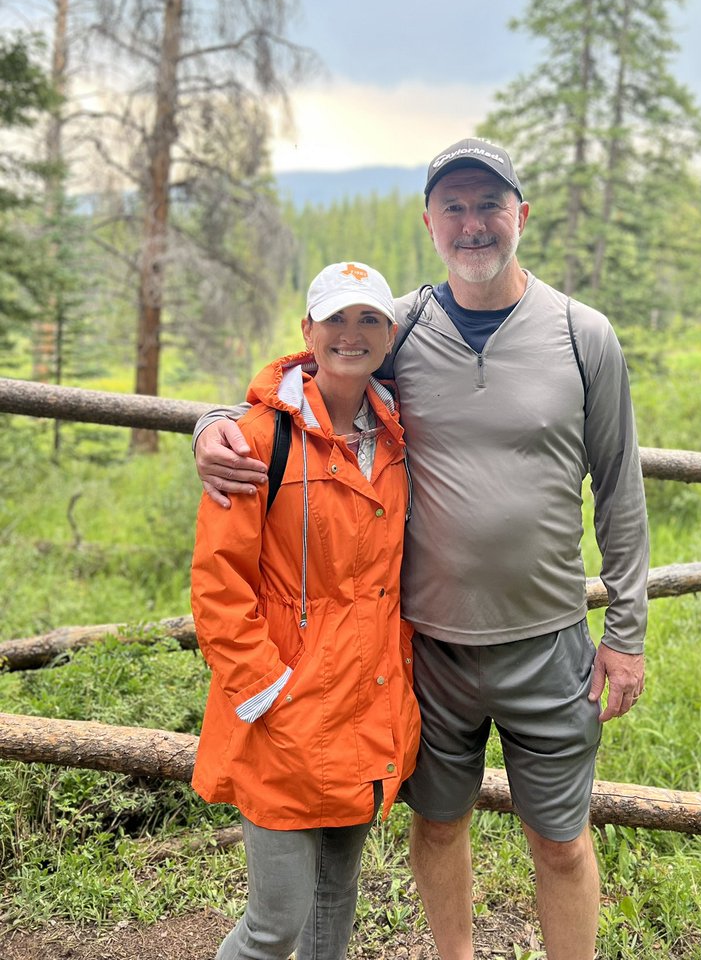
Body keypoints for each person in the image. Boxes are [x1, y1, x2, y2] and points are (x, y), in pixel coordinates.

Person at [194, 139, 650, 960]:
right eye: (455, 208)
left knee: (562, 841)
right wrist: (212, 425)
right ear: (432, 224)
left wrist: (626, 635)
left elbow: (619, 489)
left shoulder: (586, 337)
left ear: (522, 215)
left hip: (549, 641)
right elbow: (309, 374)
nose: (473, 225)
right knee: (438, 828)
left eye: (489, 205)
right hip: (425, 648)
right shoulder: (400, 324)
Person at [190, 260, 420, 960]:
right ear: (307, 332)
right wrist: (269, 693)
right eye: (336, 319)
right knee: (275, 925)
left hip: (367, 707)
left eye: (369, 320)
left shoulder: (401, 430)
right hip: (286, 719)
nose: (351, 334)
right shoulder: (260, 441)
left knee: (333, 907)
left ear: (389, 335)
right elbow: (218, 586)